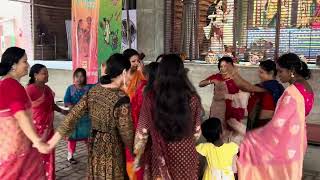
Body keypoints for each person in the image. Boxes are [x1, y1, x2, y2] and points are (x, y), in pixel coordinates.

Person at [48, 53, 134, 179]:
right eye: (130, 73)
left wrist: (52, 142)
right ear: (124, 72)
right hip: (112, 148)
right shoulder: (121, 98)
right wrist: (135, 152)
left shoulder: (94, 90)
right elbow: (127, 133)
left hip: (94, 143)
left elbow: (73, 115)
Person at [236, 53, 314, 180]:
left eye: (281, 71)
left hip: (286, 140)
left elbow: (278, 123)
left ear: (292, 71)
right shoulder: (305, 87)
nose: (279, 75)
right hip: (298, 138)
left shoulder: (291, 92)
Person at [134, 54, 202, 179]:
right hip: (186, 154)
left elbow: (142, 131)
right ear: (182, 72)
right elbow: (197, 132)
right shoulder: (192, 98)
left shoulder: (151, 97)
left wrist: (138, 156)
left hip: (160, 154)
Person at [0, 47, 49, 179]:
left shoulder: (5, 84)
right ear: (14, 65)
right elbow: (20, 115)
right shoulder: (12, 85)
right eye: (25, 61)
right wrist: (37, 141)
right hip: (17, 150)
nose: (28, 65)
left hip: (12, 148)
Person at [26, 64, 67, 180]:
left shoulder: (47, 89)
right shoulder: (30, 90)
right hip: (36, 131)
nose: (47, 75)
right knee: (36, 156)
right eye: (44, 73)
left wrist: (63, 111)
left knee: (48, 154)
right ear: (35, 75)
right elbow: (22, 109)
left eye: (47, 73)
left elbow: (52, 105)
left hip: (48, 128)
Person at [199, 56, 245, 143]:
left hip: (231, 107)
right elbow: (200, 84)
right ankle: (215, 148)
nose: (223, 68)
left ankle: (226, 149)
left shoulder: (236, 78)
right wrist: (211, 81)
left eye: (226, 66)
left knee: (230, 129)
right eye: (221, 66)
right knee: (216, 127)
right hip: (218, 108)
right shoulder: (216, 76)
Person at [126, 62, 159, 180]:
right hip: (155, 135)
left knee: (139, 163)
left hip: (141, 131)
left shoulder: (144, 89)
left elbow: (138, 112)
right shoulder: (162, 91)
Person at [236, 60, 284, 130]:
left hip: (264, 124)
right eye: (259, 72)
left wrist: (233, 74)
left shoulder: (271, 87)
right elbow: (246, 88)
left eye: (261, 72)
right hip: (260, 122)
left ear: (271, 73)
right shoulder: (275, 87)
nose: (259, 74)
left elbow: (248, 88)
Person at [64, 68, 94, 163]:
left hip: (86, 118)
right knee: (72, 137)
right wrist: (72, 107)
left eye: (82, 76)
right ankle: (70, 155)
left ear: (85, 78)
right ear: (74, 77)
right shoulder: (70, 88)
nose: (79, 78)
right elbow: (66, 101)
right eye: (77, 76)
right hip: (74, 117)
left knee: (88, 137)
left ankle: (91, 155)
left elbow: (100, 85)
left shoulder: (89, 87)